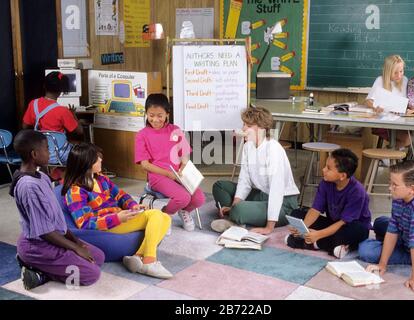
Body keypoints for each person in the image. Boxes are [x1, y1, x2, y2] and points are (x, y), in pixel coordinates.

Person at [62, 143, 173, 279]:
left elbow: (121, 195)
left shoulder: (102, 179)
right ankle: (149, 260)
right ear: (87, 163)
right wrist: (117, 218)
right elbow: (84, 223)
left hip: (119, 218)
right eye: (97, 158)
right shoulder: (75, 191)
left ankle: (137, 257)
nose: (101, 160)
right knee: (156, 214)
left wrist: (133, 205)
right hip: (107, 226)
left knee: (165, 218)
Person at [10, 130, 104, 290]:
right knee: (92, 274)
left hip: (54, 237)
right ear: (34, 154)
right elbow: (44, 232)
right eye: (47, 148)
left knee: (98, 257)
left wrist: (76, 241)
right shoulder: (29, 187)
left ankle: (44, 267)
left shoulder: (41, 177)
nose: (50, 152)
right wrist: (75, 248)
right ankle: (39, 272)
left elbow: (56, 220)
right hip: (38, 245)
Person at [212, 106, 300, 235]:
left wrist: (269, 228)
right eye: (244, 124)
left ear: (261, 128)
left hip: (283, 204)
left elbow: (277, 190)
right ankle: (235, 217)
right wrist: (234, 204)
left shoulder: (273, 149)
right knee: (219, 187)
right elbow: (244, 180)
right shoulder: (248, 146)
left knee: (239, 210)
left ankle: (236, 217)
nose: (243, 129)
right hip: (262, 195)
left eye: (248, 125)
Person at [358, 161, 414, 294]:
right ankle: (392, 243)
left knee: (365, 250)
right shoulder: (399, 197)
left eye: (395, 185)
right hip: (405, 233)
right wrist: (382, 264)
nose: (390, 188)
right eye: (390, 183)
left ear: (412, 189)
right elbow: (392, 230)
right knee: (380, 222)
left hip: (413, 249)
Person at [135, 93, 205, 231]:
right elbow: (145, 164)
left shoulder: (175, 130)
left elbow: (184, 157)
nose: (155, 119)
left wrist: (183, 168)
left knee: (199, 199)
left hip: (177, 174)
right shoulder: (142, 135)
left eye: (160, 116)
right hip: (157, 176)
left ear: (167, 114)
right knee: (183, 197)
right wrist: (167, 174)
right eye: (151, 115)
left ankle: (184, 211)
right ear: (146, 114)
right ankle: (164, 216)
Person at [285, 148, 371, 259]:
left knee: (356, 231)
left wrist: (318, 235)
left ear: (342, 176)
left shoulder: (357, 191)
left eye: (328, 168)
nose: (323, 169)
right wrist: (302, 229)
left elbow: (342, 223)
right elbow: (315, 210)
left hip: (351, 227)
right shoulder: (326, 183)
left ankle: (313, 243)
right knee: (296, 214)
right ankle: (333, 246)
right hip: (332, 223)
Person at [22, 71, 85, 164]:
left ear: (44, 86)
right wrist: (73, 114)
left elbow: (25, 127)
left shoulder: (33, 104)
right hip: (58, 155)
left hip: (38, 154)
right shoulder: (63, 111)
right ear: (61, 90)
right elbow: (80, 132)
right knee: (80, 144)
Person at [365, 55, 410, 148]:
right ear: (388, 71)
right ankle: (389, 155)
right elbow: (368, 101)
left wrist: (407, 109)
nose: (399, 75)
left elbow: (407, 101)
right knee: (407, 138)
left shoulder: (405, 80)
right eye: (395, 73)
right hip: (383, 122)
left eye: (401, 71)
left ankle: (389, 154)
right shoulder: (380, 80)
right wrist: (375, 107)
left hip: (400, 122)